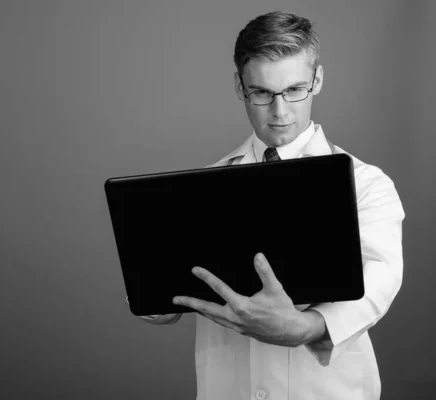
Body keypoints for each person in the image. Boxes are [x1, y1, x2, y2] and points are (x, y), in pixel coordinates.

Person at [139, 11, 405, 400]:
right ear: (239, 86)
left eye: (295, 89)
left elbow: (380, 280)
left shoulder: (366, 184)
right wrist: (157, 297)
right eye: (262, 93)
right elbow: (174, 287)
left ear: (317, 80)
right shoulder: (201, 188)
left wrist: (307, 327)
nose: (280, 112)